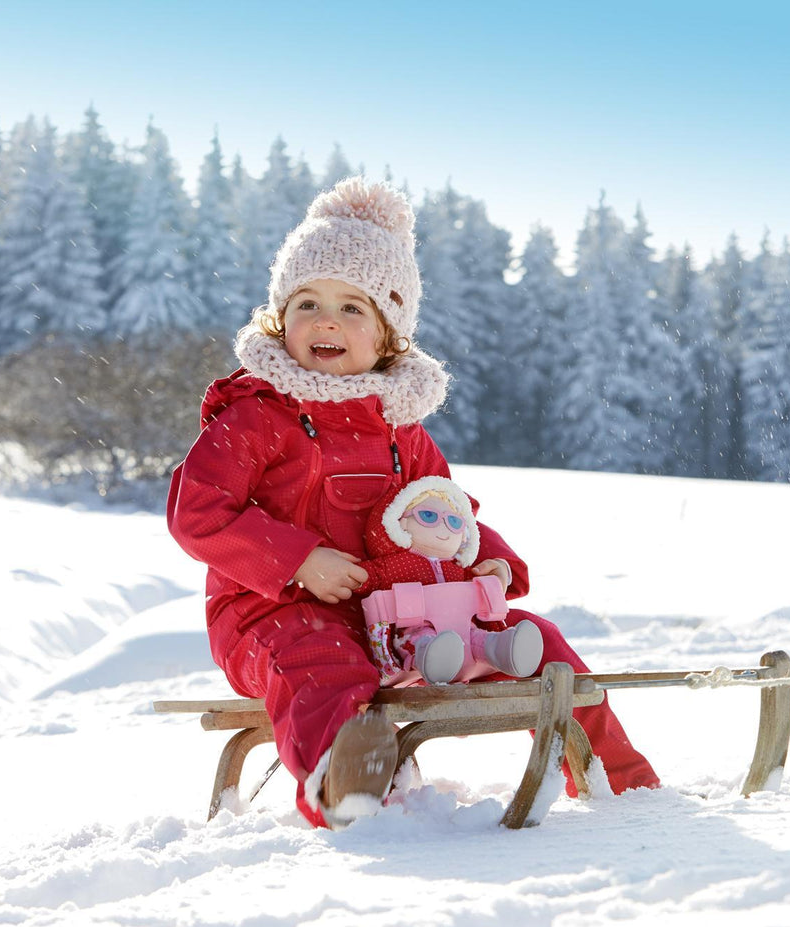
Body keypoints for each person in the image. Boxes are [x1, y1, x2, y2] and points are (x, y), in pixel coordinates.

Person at [167, 178, 659, 828]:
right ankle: (348, 788)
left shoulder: (401, 430)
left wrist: (489, 560)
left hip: (400, 618)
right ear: (279, 317)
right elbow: (198, 513)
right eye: (306, 301)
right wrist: (298, 559)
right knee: (322, 662)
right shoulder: (257, 417)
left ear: (388, 333)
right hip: (270, 617)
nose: (324, 320)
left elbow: (449, 514)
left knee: (536, 639)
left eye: (352, 308)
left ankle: (622, 784)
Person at [355, 474, 545, 687]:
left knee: (478, 638)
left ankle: (504, 649)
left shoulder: (459, 568)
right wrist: (348, 575)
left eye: (454, 522)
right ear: (400, 522)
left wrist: (501, 572)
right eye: (428, 516)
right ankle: (435, 658)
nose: (443, 527)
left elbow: (481, 578)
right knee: (420, 641)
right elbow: (367, 576)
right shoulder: (394, 564)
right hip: (412, 628)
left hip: (463, 627)